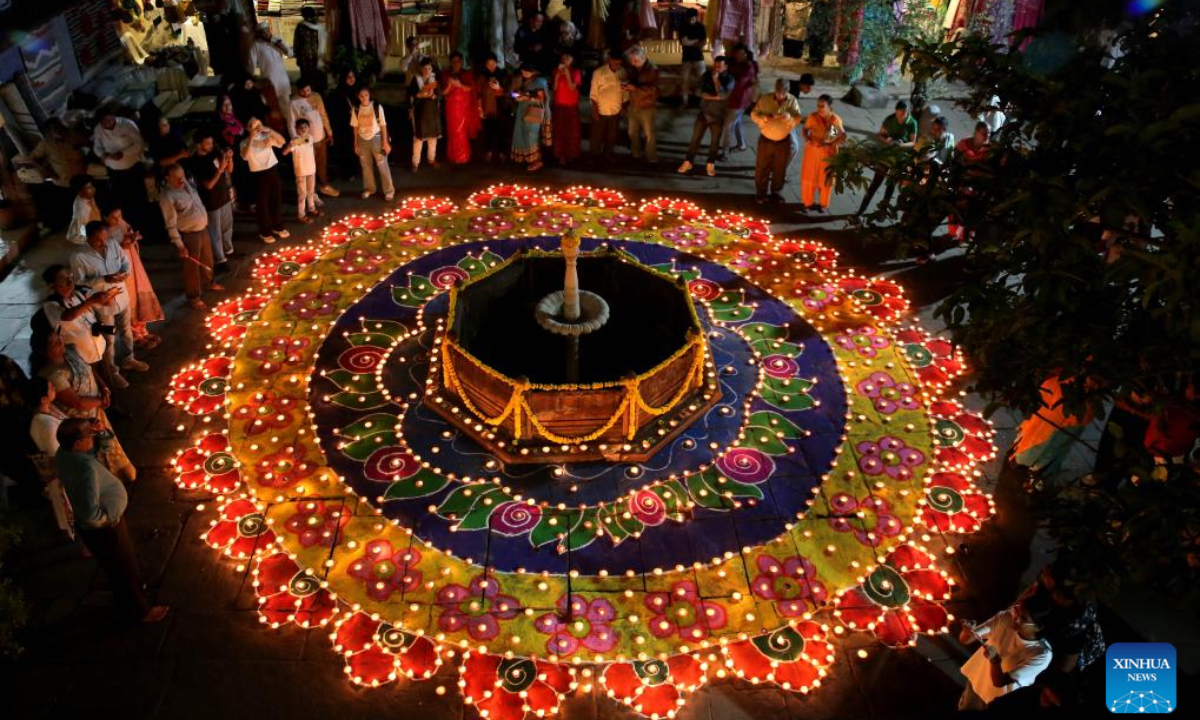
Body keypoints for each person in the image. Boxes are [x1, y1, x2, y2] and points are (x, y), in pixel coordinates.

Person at [55, 418, 168, 623]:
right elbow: (90, 512)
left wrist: (102, 434)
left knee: (116, 566)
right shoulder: (85, 469)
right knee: (123, 566)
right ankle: (141, 611)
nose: (92, 437)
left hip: (95, 530)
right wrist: (108, 520)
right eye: (88, 435)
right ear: (78, 443)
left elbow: (96, 450)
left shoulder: (64, 454)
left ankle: (127, 596)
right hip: (105, 529)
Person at [71, 221, 147, 379]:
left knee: (126, 330)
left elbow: (125, 262)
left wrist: (125, 273)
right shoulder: (79, 256)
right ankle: (112, 372)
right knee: (109, 338)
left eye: (105, 238)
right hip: (102, 305)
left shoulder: (112, 244)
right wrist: (102, 279)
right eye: (99, 240)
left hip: (122, 297)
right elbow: (79, 282)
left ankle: (128, 359)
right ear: (88, 238)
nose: (103, 243)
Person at [956, 594, 1054, 711]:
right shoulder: (1006, 617)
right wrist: (967, 631)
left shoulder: (1041, 654)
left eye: (1023, 618)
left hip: (996, 699)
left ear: (1039, 627)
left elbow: (1000, 682)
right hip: (977, 681)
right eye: (1016, 610)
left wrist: (995, 661)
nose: (1015, 618)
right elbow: (966, 640)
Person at [40, 264, 120, 388]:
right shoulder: (51, 305)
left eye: (70, 276)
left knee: (108, 386)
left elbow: (104, 306)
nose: (69, 281)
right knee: (93, 390)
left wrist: (108, 299)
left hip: (99, 350)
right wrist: (91, 301)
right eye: (63, 279)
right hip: (82, 359)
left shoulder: (79, 294)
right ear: (52, 285)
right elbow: (68, 316)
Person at [160, 163, 223, 309]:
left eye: (182, 176)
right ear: (167, 178)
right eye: (176, 178)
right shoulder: (168, 196)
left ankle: (208, 282)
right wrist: (180, 245)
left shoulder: (187, 185)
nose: (181, 180)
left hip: (202, 229)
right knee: (192, 267)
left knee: (208, 259)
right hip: (188, 234)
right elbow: (170, 224)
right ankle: (193, 296)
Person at [101, 205, 163, 348]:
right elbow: (107, 252)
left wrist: (133, 238)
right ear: (104, 217)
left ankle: (143, 330)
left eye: (119, 216)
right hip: (120, 269)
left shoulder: (122, 223)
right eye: (113, 217)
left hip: (133, 264)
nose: (117, 220)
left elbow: (128, 236)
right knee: (129, 300)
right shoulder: (104, 233)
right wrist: (122, 245)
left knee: (138, 294)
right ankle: (134, 337)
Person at [23, 377, 75, 542]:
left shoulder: (47, 410)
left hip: (68, 469)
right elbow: (57, 454)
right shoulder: (44, 424)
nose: (54, 387)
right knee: (76, 514)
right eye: (51, 387)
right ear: (43, 399)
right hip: (65, 476)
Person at [18, 118, 86, 225]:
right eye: (54, 129)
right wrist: (47, 171)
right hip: (64, 183)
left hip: (83, 179)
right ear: (49, 132)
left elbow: (90, 144)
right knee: (74, 212)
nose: (58, 130)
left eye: (59, 127)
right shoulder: (46, 144)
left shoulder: (73, 136)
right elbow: (32, 158)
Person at [856, 100, 919, 216]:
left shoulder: (912, 123)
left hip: (900, 157)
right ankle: (861, 210)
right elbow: (880, 134)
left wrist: (901, 144)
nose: (899, 117)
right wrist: (887, 140)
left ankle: (882, 211)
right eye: (897, 113)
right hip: (887, 154)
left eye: (902, 114)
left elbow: (912, 142)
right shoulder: (890, 119)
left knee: (891, 184)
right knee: (875, 182)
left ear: (906, 112)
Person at [678, 56, 734, 177]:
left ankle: (710, 163)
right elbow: (699, 92)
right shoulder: (706, 75)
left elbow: (723, 96)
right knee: (695, 139)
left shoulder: (729, 79)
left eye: (720, 65)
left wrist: (716, 81)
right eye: (716, 65)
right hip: (703, 113)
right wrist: (714, 97)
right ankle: (688, 161)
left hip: (717, 115)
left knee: (714, 142)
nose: (717, 68)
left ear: (726, 66)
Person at [188, 129, 236, 266]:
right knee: (215, 232)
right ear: (198, 145)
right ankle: (220, 259)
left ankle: (229, 250)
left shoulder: (214, 153)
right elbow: (208, 185)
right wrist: (220, 170)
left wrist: (229, 158)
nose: (211, 145)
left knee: (227, 226)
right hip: (211, 201)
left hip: (224, 196)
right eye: (207, 143)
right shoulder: (195, 162)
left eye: (211, 143)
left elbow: (229, 170)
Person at [750, 79, 803, 204]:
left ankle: (776, 192)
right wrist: (764, 118)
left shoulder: (792, 101)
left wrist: (789, 118)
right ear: (775, 89)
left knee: (780, 169)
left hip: (783, 141)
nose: (780, 96)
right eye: (778, 92)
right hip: (766, 140)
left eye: (782, 93)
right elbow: (753, 115)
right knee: (763, 168)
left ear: (787, 92)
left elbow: (797, 118)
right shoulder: (765, 99)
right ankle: (761, 193)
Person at [239, 119, 289, 242]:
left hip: (272, 170)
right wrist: (251, 138)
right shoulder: (244, 142)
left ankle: (277, 226)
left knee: (276, 200)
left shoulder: (265, 136)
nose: (256, 127)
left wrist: (270, 131)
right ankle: (265, 231)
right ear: (247, 129)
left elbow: (282, 142)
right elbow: (245, 156)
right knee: (262, 205)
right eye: (252, 125)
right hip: (258, 174)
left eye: (258, 124)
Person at [92, 109, 147, 215]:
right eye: (103, 122)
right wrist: (103, 155)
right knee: (121, 196)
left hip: (132, 165)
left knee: (138, 194)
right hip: (113, 169)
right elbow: (97, 147)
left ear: (113, 116)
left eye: (109, 120)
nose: (107, 124)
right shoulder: (98, 129)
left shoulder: (127, 124)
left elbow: (139, 143)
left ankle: (143, 215)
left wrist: (123, 153)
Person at [290, 80, 339, 197]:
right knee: (308, 166)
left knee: (322, 164)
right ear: (299, 90)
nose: (307, 93)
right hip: (306, 140)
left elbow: (323, 114)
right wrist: (296, 140)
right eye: (304, 91)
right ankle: (309, 192)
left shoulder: (316, 97)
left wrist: (329, 132)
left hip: (320, 137)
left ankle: (324, 186)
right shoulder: (294, 102)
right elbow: (291, 122)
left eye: (308, 90)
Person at [800, 94, 845, 213]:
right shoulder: (812, 117)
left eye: (822, 106)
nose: (819, 108)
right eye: (818, 106)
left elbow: (842, 136)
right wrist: (808, 139)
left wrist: (831, 144)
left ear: (829, 107)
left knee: (826, 179)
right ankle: (807, 203)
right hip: (812, 152)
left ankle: (823, 204)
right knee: (809, 177)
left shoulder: (835, 120)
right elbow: (805, 129)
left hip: (828, 154)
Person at [351, 86, 394, 199]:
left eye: (366, 95)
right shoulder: (356, 108)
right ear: (358, 97)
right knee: (365, 165)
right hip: (362, 139)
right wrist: (355, 142)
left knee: (382, 163)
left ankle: (389, 190)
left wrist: (385, 142)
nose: (364, 98)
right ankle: (370, 188)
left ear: (369, 95)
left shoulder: (376, 107)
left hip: (376, 137)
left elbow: (383, 125)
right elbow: (355, 126)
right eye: (361, 96)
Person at [248, 22, 292, 127]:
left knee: (286, 105)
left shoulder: (277, 40)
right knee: (272, 107)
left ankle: (289, 127)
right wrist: (252, 80)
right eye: (263, 32)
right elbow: (251, 66)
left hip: (283, 80)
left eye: (267, 30)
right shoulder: (255, 45)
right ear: (259, 33)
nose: (266, 33)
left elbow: (289, 53)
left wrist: (274, 41)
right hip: (269, 81)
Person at [624, 46, 660, 166]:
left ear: (643, 58)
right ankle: (636, 154)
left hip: (647, 106)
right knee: (632, 132)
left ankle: (651, 158)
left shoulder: (652, 70)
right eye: (632, 61)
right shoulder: (633, 68)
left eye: (636, 60)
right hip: (633, 104)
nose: (634, 63)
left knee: (649, 134)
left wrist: (636, 88)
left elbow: (653, 89)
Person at [589, 50, 627, 163]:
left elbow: (625, 90)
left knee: (612, 135)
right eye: (615, 63)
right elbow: (593, 93)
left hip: (615, 110)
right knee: (597, 135)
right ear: (610, 60)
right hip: (601, 109)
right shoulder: (599, 73)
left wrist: (624, 105)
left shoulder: (623, 72)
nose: (617, 66)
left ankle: (609, 154)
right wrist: (595, 110)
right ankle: (593, 155)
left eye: (619, 64)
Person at [440, 52, 478, 165]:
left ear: (461, 62)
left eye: (458, 61)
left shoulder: (467, 73)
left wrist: (458, 84)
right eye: (453, 61)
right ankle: (453, 155)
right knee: (452, 130)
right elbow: (443, 93)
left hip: (463, 106)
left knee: (461, 130)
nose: (456, 64)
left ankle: (463, 155)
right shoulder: (446, 74)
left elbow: (469, 89)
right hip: (451, 106)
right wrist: (450, 84)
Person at [512, 65, 552, 172]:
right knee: (524, 134)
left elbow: (541, 98)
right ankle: (530, 159)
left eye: (527, 71)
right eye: (523, 70)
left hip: (533, 111)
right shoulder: (526, 80)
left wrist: (527, 97)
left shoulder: (538, 81)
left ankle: (537, 161)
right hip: (523, 110)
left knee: (531, 135)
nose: (524, 72)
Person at [477, 53, 514, 163]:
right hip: (488, 108)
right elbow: (479, 94)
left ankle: (502, 152)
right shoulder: (482, 76)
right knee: (488, 130)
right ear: (485, 65)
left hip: (501, 107)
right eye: (489, 64)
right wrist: (480, 108)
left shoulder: (503, 74)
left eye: (493, 63)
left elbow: (510, 92)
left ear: (497, 63)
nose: (491, 66)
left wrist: (499, 88)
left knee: (501, 130)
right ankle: (488, 152)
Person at [283, 118, 321, 223]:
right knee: (302, 194)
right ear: (297, 129)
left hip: (311, 170)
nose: (303, 129)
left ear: (309, 128)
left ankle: (311, 207)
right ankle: (301, 214)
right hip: (301, 172)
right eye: (301, 128)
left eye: (305, 127)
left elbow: (311, 148)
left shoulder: (310, 137)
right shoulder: (295, 141)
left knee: (310, 191)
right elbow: (285, 152)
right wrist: (291, 145)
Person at [724, 44, 759, 155]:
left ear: (745, 54)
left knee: (728, 126)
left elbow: (739, 83)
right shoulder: (733, 64)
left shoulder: (748, 67)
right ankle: (742, 144)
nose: (739, 56)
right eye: (737, 54)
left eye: (742, 53)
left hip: (739, 100)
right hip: (736, 99)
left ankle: (725, 151)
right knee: (737, 122)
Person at [551, 51, 583, 165]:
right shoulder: (556, 71)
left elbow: (572, 87)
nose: (566, 60)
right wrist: (557, 77)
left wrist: (568, 75)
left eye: (568, 58)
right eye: (564, 57)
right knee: (559, 131)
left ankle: (571, 154)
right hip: (559, 104)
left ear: (572, 59)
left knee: (571, 131)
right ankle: (560, 155)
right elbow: (554, 88)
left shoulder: (576, 72)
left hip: (571, 105)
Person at [328, 70, 361, 178]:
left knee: (357, 147)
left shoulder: (358, 91)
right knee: (346, 149)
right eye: (348, 77)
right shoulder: (338, 93)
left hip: (357, 126)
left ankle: (357, 169)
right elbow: (334, 112)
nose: (351, 79)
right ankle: (348, 172)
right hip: (344, 127)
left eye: (353, 76)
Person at [677, 9, 708, 105]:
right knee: (684, 80)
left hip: (698, 57)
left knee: (703, 79)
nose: (690, 20)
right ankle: (684, 102)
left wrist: (689, 43)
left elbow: (703, 43)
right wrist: (695, 42)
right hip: (686, 57)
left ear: (696, 17)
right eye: (689, 18)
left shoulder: (700, 27)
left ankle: (701, 101)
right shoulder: (683, 26)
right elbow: (682, 42)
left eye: (692, 18)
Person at [292, 5, 326, 85]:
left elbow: (296, 42)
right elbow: (324, 42)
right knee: (317, 76)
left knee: (306, 78)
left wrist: (297, 55)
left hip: (304, 58)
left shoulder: (300, 26)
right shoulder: (320, 27)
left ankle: (308, 92)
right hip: (317, 56)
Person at [67, 175, 101, 245]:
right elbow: (82, 230)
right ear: (79, 192)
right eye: (88, 187)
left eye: (92, 186)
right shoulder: (82, 211)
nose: (93, 189)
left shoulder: (87, 197)